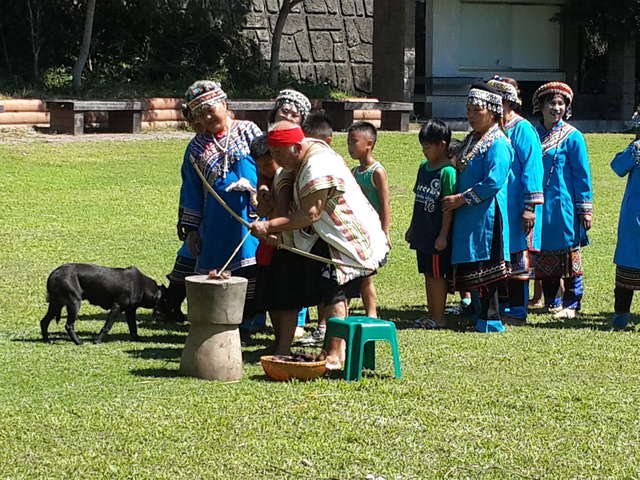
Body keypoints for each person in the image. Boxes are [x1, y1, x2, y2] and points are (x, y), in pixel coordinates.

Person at [249, 121, 389, 369]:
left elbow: (310, 214)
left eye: (279, 153)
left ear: (295, 146)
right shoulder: (297, 156)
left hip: (345, 236)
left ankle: (335, 353)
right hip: (320, 237)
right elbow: (281, 184)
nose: (276, 159)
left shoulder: (317, 164)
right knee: (308, 283)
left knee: (334, 286)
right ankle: (306, 348)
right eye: (274, 153)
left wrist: (269, 227)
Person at [178, 80, 263, 327]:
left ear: (224, 104)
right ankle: (219, 318)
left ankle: (250, 320)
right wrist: (192, 229)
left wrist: (262, 191)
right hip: (215, 221)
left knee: (252, 267)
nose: (207, 117)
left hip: (251, 217)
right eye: (200, 114)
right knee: (216, 269)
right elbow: (191, 189)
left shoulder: (248, 131)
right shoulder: (196, 148)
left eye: (210, 109)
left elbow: (269, 165)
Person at [442, 83, 513, 333]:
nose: (470, 116)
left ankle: (491, 318)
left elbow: (493, 181)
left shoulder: (498, 143)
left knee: (487, 266)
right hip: (468, 216)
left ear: (492, 112)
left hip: (487, 214)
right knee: (473, 265)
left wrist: (461, 199)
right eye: (469, 110)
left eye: (476, 111)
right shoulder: (473, 139)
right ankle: (478, 313)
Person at [532, 82, 593, 320]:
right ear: (541, 106)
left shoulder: (573, 137)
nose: (556, 108)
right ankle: (552, 300)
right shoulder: (533, 135)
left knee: (568, 253)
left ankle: (572, 302)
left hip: (563, 204)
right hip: (540, 205)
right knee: (545, 252)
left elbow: (582, 174)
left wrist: (584, 208)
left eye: (560, 103)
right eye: (551, 103)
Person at [487, 76, 544, 325]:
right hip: (496, 204)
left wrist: (529, 207)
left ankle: (518, 309)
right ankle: (497, 304)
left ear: (506, 101)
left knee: (517, 252)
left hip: (516, 204)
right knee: (499, 251)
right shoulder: (491, 129)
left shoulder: (522, 129)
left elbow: (533, 168)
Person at [405, 119, 456, 328]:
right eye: (423, 147)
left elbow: (448, 207)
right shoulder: (423, 168)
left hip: (437, 233)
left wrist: (443, 235)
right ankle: (431, 313)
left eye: (428, 147)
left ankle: (439, 317)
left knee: (437, 275)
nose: (424, 151)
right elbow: (418, 198)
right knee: (427, 273)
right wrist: (411, 227)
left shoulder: (447, 172)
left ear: (442, 145)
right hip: (422, 230)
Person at [348, 121, 391, 318]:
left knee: (367, 276)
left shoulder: (377, 172)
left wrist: (385, 233)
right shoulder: (354, 172)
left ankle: (371, 314)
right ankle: (343, 314)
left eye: (354, 142)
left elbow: (385, 205)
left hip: (371, 234)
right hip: (355, 232)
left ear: (369, 144)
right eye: (348, 142)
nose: (350, 146)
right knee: (348, 276)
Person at [610, 107, 640, 328]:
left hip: (633, 214)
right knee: (628, 261)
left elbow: (618, 166)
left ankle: (622, 317)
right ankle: (620, 317)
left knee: (628, 259)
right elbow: (618, 167)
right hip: (634, 217)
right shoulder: (637, 149)